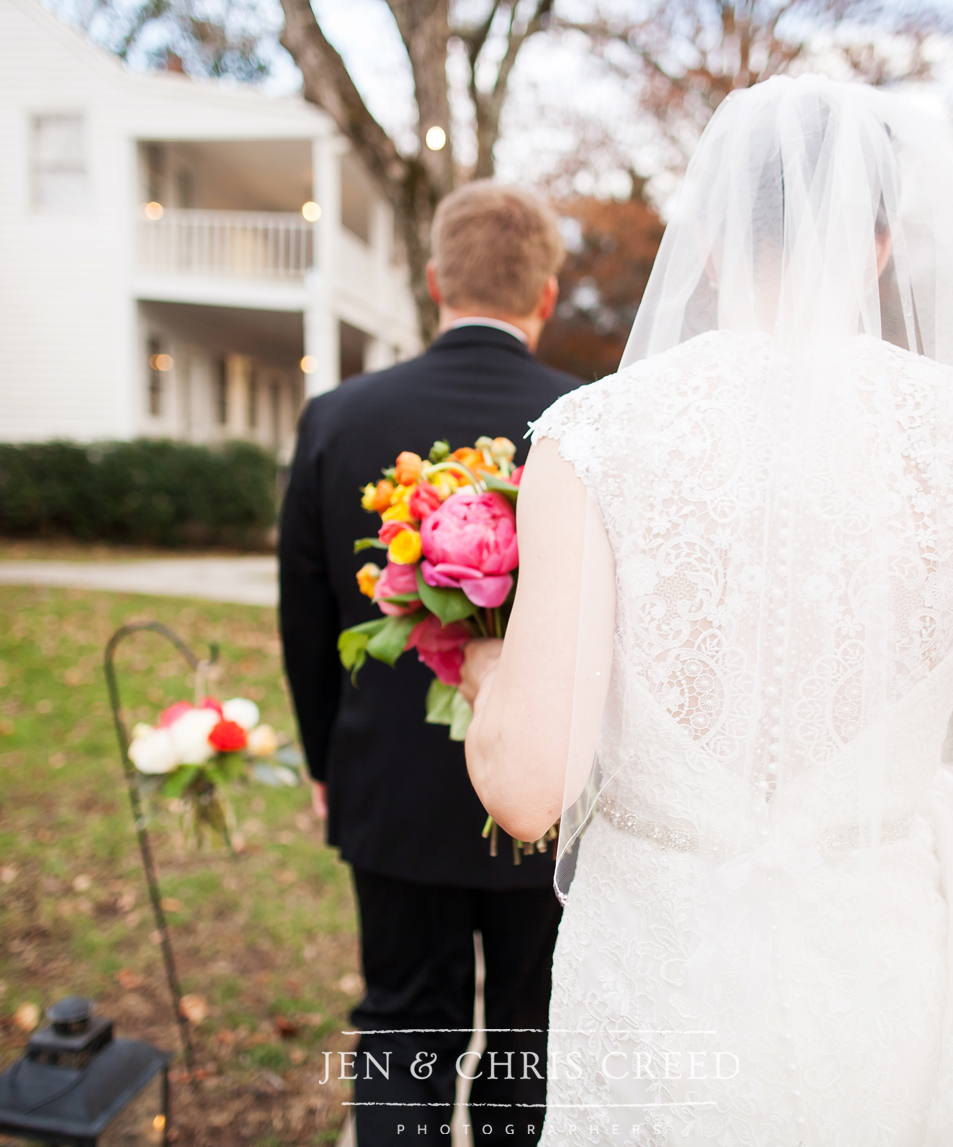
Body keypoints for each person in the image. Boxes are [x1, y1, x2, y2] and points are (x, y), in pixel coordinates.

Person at [460, 78, 953, 1145]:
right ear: (880, 244)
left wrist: (488, 678)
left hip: (661, 982)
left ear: (702, 244)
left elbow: (524, 790)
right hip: (894, 970)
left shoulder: (593, 435)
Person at [279, 181, 583, 1147]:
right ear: (546, 295)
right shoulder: (593, 424)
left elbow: (306, 612)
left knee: (406, 1026)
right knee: (531, 1036)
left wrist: (329, 765)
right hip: (553, 788)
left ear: (432, 280)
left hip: (389, 787)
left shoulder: (337, 417)